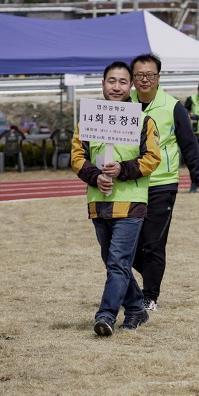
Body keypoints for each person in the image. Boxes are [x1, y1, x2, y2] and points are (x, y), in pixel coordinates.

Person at [71, 61, 161, 336]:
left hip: (131, 202)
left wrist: (122, 169)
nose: (117, 87)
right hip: (99, 202)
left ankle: (106, 315)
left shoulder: (143, 120)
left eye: (123, 82)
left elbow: (152, 158)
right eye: (112, 81)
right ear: (103, 84)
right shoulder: (89, 118)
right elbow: (77, 156)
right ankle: (135, 308)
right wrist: (94, 176)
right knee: (112, 262)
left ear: (131, 86)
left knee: (118, 262)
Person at [129, 54, 199, 312]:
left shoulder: (173, 106)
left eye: (150, 75)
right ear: (132, 78)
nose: (144, 80)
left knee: (154, 243)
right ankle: (146, 277)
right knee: (128, 244)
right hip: (129, 183)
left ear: (158, 77)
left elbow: (190, 146)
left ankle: (150, 296)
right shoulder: (123, 104)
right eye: (139, 75)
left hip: (162, 183)